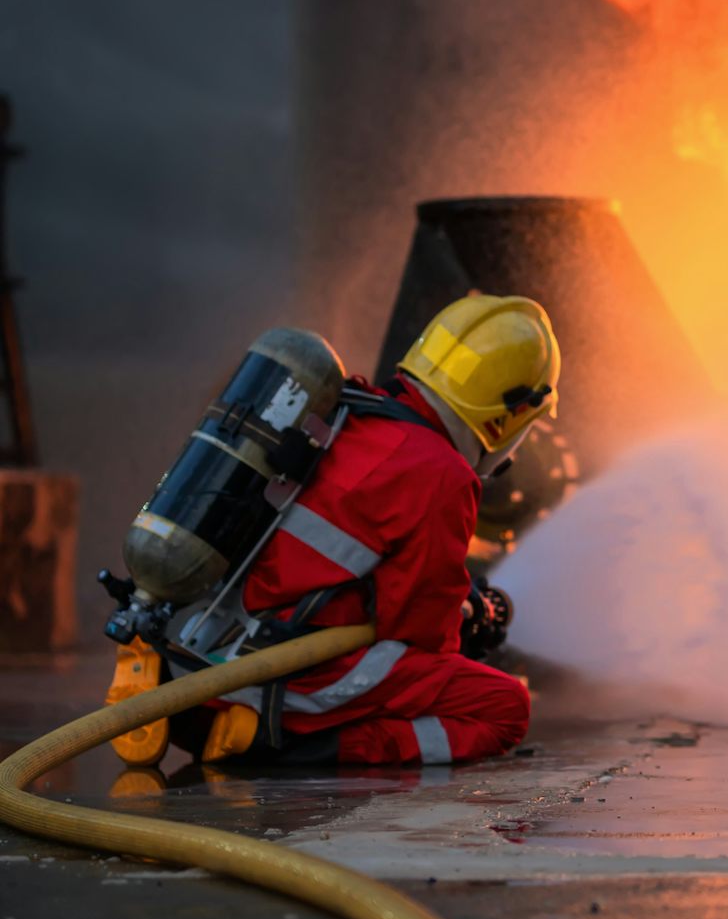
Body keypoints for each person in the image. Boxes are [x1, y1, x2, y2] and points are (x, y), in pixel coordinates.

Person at [107, 295, 560, 766]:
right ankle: (278, 742)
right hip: (268, 678)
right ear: (509, 413)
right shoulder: (443, 473)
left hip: (188, 647)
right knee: (504, 707)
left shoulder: (354, 408)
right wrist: (465, 619)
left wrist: (458, 594)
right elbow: (417, 633)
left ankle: (173, 683)